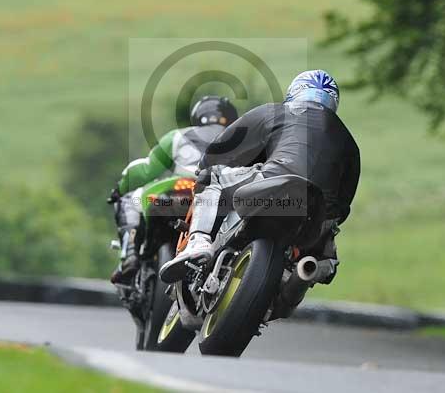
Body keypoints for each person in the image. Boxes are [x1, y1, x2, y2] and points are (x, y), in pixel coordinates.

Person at [160, 70, 360, 284]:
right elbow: (343, 203)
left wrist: (204, 168)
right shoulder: (348, 140)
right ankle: (295, 282)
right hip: (316, 210)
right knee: (324, 260)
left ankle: (198, 242)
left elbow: (219, 150)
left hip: (274, 178)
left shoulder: (277, 112)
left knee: (212, 177)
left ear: (294, 92)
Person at [108, 96, 238, 284]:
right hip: (223, 201)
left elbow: (146, 170)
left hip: (181, 189)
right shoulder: (242, 139)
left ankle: (130, 257)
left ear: (197, 115)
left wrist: (119, 189)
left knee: (130, 199)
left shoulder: (178, 136)